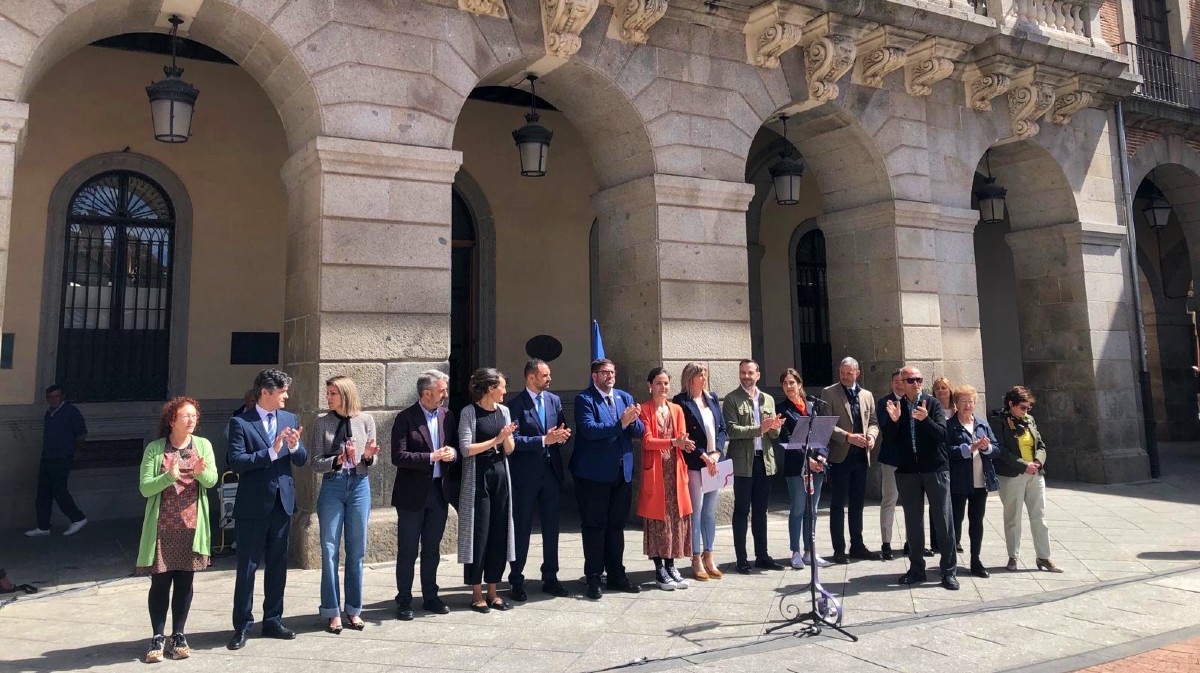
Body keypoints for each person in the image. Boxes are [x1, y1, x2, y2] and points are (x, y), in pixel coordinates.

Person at [225, 369, 308, 650]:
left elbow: (301, 459)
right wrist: (271, 451)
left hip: (282, 504)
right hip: (253, 506)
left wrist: (295, 448)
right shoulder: (241, 423)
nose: (286, 395)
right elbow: (237, 462)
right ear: (265, 392)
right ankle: (242, 626)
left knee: (278, 565)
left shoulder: (290, 419)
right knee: (247, 568)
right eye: (282, 391)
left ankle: (273, 619)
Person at [135, 397, 218, 663]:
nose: (192, 420)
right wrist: (168, 476)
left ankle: (179, 634)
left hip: (192, 526)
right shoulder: (155, 449)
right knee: (160, 582)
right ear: (172, 420)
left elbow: (212, 481)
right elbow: (146, 488)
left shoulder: (203, 446)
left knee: (185, 581)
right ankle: (158, 636)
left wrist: (198, 473)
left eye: (194, 416)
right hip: (163, 527)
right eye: (186, 416)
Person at [310, 376, 379, 633]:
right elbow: (315, 462)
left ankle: (353, 609)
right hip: (333, 485)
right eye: (327, 393)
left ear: (346, 395)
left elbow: (370, 461)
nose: (328, 398)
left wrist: (368, 457)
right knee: (329, 550)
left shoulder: (366, 420)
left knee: (357, 550)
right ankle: (332, 611)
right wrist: (337, 459)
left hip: (360, 485)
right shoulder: (322, 423)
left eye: (332, 394)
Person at [572, 358, 646, 599]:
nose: (610, 376)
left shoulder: (624, 397)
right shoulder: (585, 399)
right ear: (594, 376)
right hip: (593, 475)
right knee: (595, 527)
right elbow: (590, 430)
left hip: (621, 474)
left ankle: (617, 575)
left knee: (616, 527)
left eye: (612, 372)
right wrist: (621, 423)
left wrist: (633, 422)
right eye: (604, 373)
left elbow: (640, 431)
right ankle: (593, 577)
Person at [882, 365, 957, 590]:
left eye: (919, 379)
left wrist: (925, 420)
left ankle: (949, 572)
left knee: (943, 520)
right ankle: (916, 569)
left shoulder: (932, 404)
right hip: (908, 471)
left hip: (935, 469)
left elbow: (943, 435)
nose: (916, 383)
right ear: (902, 384)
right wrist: (894, 422)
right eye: (910, 380)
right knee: (913, 521)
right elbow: (891, 442)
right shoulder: (897, 407)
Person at [391, 370, 457, 620]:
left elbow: (452, 447)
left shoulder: (447, 416)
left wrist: (452, 453)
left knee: (432, 549)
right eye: (442, 390)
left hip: (439, 493)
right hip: (412, 495)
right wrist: (431, 457)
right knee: (408, 550)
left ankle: (430, 596)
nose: (445, 395)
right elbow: (398, 456)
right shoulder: (405, 418)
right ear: (427, 392)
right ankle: (404, 600)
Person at [506, 359, 572, 601]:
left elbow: (560, 428)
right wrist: (544, 440)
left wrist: (562, 436)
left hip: (551, 474)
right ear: (531, 377)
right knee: (522, 528)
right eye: (545, 375)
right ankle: (516, 579)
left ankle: (551, 577)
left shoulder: (553, 401)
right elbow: (513, 443)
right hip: (526, 476)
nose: (549, 379)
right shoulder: (515, 405)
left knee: (552, 528)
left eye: (549, 374)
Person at [457, 368, 518, 613]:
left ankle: (493, 591)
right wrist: (495, 440)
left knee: (499, 532)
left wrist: (506, 437)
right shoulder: (469, 412)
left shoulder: (504, 411)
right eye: (502, 386)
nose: (505, 391)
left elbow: (510, 449)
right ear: (491, 388)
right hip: (478, 476)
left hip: (500, 476)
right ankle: (476, 593)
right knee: (479, 533)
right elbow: (465, 449)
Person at [723, 359, 785, 574]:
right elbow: (731, 430)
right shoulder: (732, 399)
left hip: (765, 461)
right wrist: (759, 428)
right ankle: (742, 559)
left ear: (758, 375)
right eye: (743, 373)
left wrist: (774, 427)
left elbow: (774, 434)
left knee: (761, 511)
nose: (746, 376)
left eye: (750, 373)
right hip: (743, 463)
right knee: (741, 511)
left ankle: (763, 556)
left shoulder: (767, 399)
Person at [991, 386, 1062, 573]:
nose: (1026, 411)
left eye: (1028, 407)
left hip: (1035, 474)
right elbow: (1001, 450)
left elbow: (1041, 444)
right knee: (1013, 517)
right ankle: (1013, 556)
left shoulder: (1030, 420)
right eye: (1023, 407)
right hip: (1012, 474)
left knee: (1039, 516)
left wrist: (1038, 461)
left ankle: (1044, 557)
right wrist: (1024, 465)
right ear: (1011, 404)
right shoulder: (999, 421)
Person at [638, 367, 695, 591]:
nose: (663, 387)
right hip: (655, 471)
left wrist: (683, 443)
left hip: (674, 469)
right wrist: (673, 442)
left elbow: (682, 436)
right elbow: (647, 441)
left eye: (666, 383)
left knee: (674, 519)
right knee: (657, 521)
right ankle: (659, 569)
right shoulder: (644, 409)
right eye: (659, 383)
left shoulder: (677, 409)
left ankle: (671, 565)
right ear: (650, 386)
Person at [820, 357, 880, 564]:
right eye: (842, 373)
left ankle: (858, 545)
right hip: (840, 457)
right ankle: (839, 549)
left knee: (857, 504)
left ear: (857, 373)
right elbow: (826, 425)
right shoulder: (829, 393)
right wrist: (848, 436)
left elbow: (873, 422)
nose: (845, 376)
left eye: (849, 373)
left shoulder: (867, 395)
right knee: (837, 505)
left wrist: (871, 436)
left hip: (861, 456)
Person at [672, 362, 727, 581]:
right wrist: (703, 454)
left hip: (714, 462)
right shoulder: (681, 402)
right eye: (700, 375)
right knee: (697, 510)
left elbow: (722, 427)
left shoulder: (712, 398)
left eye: (705, 375)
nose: (703, 378)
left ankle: (709, 555)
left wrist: (717, 453)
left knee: (711, 512)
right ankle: (695, 557)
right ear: (690, 378)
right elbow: (684, 434)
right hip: (696, 463)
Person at [777, 369, 829, 569]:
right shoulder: (783, 409)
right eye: (785, 384)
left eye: (792, 382)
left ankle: (810, 551)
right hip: (797, 467)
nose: (789, 387)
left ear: (799, 384)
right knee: (798, 509)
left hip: (817, 466)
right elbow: (788, 438)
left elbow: (824, 435)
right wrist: (807, 460)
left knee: (812, 510)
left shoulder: (813, 406)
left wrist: (821, 458)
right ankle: (795, 552)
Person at [946, 385, 999, 579]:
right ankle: (950, 561)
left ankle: (975, 560)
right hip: (959, 481)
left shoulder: (982, 424)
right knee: (956, 521)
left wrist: (986, 448)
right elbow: (946, 451)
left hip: (981, 481)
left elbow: (996, 448)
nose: (968, 405)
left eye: (971, 401)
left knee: (976, 521)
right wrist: (968, 448)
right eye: (964, 401)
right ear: (956, 404)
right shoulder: (950, 425)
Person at [26, 385, 88, 537]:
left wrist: (77, 452)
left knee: (59, 491)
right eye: (50, 397)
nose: (53, 400)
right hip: (48, 456)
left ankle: (78, 518)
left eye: (56, 396)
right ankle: (43, 526)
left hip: (62, 456)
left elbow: (81, 434)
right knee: (43, 492)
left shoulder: (71, 412)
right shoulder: (49, 413)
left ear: (62, 396)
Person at [876, 370, 903, 561]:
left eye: (903, 381)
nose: (899, 385)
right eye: (896, 382)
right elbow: (885, 428)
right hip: (891, 459)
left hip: (913, 460)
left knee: (914, 502)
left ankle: (913, 542)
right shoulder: (885, 402)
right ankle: (886, 543)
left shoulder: (918, 401)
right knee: (889, 500)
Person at [929, 376, 957, 553]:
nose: (940, 391)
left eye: (944, 388)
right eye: (937, 388)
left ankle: (954, 539)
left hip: (955, 458)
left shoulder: (956, 410)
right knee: (937, 502)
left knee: (954, 501)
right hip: (938, 458)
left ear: (950, 391)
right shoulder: (931, 409)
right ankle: (935, 541)